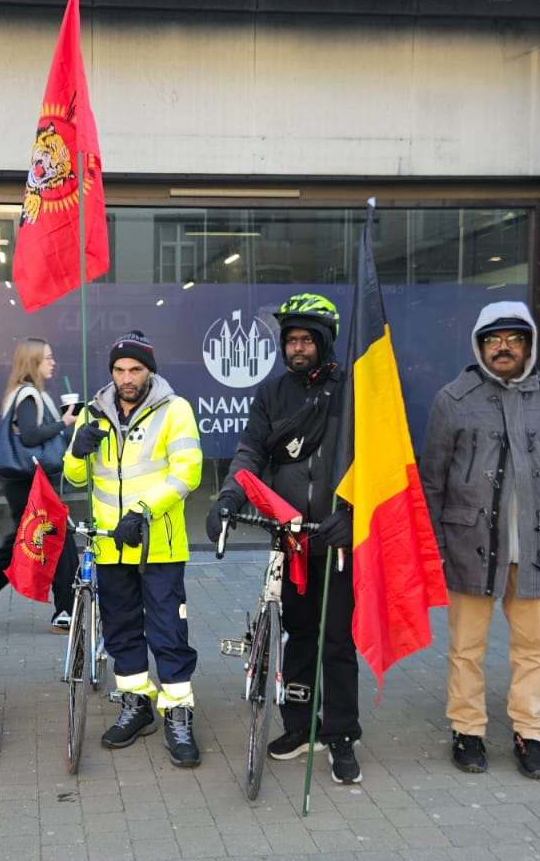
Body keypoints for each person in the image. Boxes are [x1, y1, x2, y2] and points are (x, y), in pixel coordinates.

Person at [419, 301, 540, 780]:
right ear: (479, 345)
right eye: (493, 340)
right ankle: (468, 730)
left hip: (536, 544)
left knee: (534, 648)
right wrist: (435, 546)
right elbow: (432, 479)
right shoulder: (454, 398)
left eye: (514, 339)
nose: (503, 348)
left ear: (529, 343)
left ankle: (531, 733)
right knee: (467, 647)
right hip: (470, 544)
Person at [204, 293, 362, 784]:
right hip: (290, 536)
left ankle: (340, 735)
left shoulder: (353, 390)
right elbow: (251, 452)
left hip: (335, 536)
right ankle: (299, 725)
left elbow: (373, 460)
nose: (296, 348)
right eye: (290, 340)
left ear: (324, 341)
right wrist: (230, 497)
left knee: (336, 640)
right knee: (297, 637)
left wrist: (354, 516)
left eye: (305, 340)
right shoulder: (272, 394)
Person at [63, 331, 205, 767]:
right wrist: (76, 452)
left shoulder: (175, 410)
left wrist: (143, 511)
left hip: (157, 546)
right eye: (120, 370)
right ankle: (136, 704)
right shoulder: (94, 412)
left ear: (150, 371)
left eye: (135, 370)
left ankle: (178, 712)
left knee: (167, 632)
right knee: (122, 632)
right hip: (109, 548)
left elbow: (189, 473)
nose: (127, 378)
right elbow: (76, 479)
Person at [0, 337, 81, 630]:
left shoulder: (27, 394)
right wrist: (65, 422)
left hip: (29, 481)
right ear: (33, 362)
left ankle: (68, 606)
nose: (53, 363)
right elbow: (29, 436)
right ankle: (66, 608)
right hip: (30, 481)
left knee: (35, 542)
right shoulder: (28, 395)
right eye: (48, 358)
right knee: (44, 541)